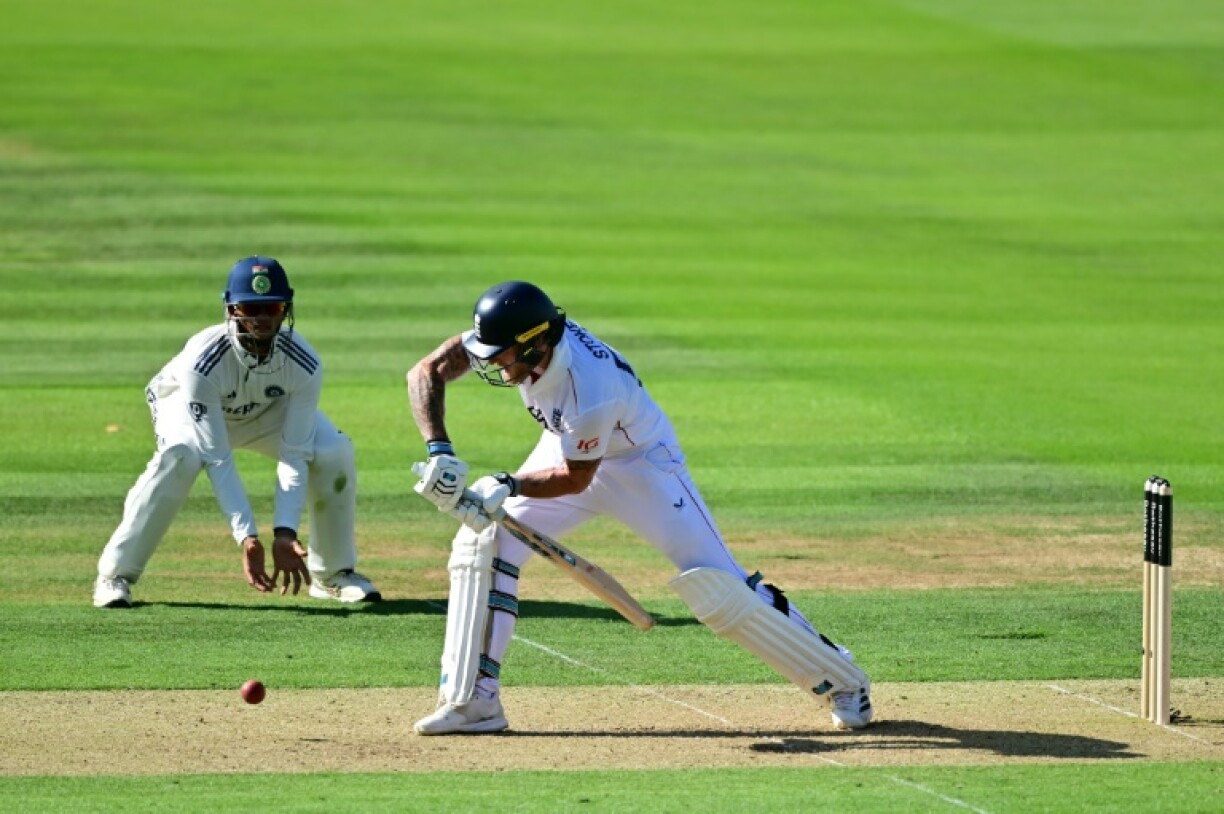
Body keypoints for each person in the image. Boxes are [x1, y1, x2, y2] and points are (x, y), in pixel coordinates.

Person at [405, 281, 872, 735]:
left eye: (501, 354)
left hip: (642, 467)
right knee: (484, 541)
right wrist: (439, 450)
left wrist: (509, 484)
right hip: (569, 446)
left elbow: (576, 480)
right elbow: (426, 371)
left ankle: (843, 680)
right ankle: (474, 701)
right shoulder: (518, 332)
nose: (492, 362)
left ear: (536, 343)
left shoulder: (588, 386)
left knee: (721, 587)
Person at [93, 256, 380, 608]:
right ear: (232, 310)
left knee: (333, 450)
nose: (261, 320)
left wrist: (284, 533)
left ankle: (332, 576)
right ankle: (115, 575)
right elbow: (217, 457)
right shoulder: (202, 363)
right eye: (250, 308)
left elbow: (295, 453)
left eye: (271, 308)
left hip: (265, 410)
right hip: (185, 404)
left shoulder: (304, 364)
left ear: (285, 310)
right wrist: (247, 537)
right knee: (181, 458)